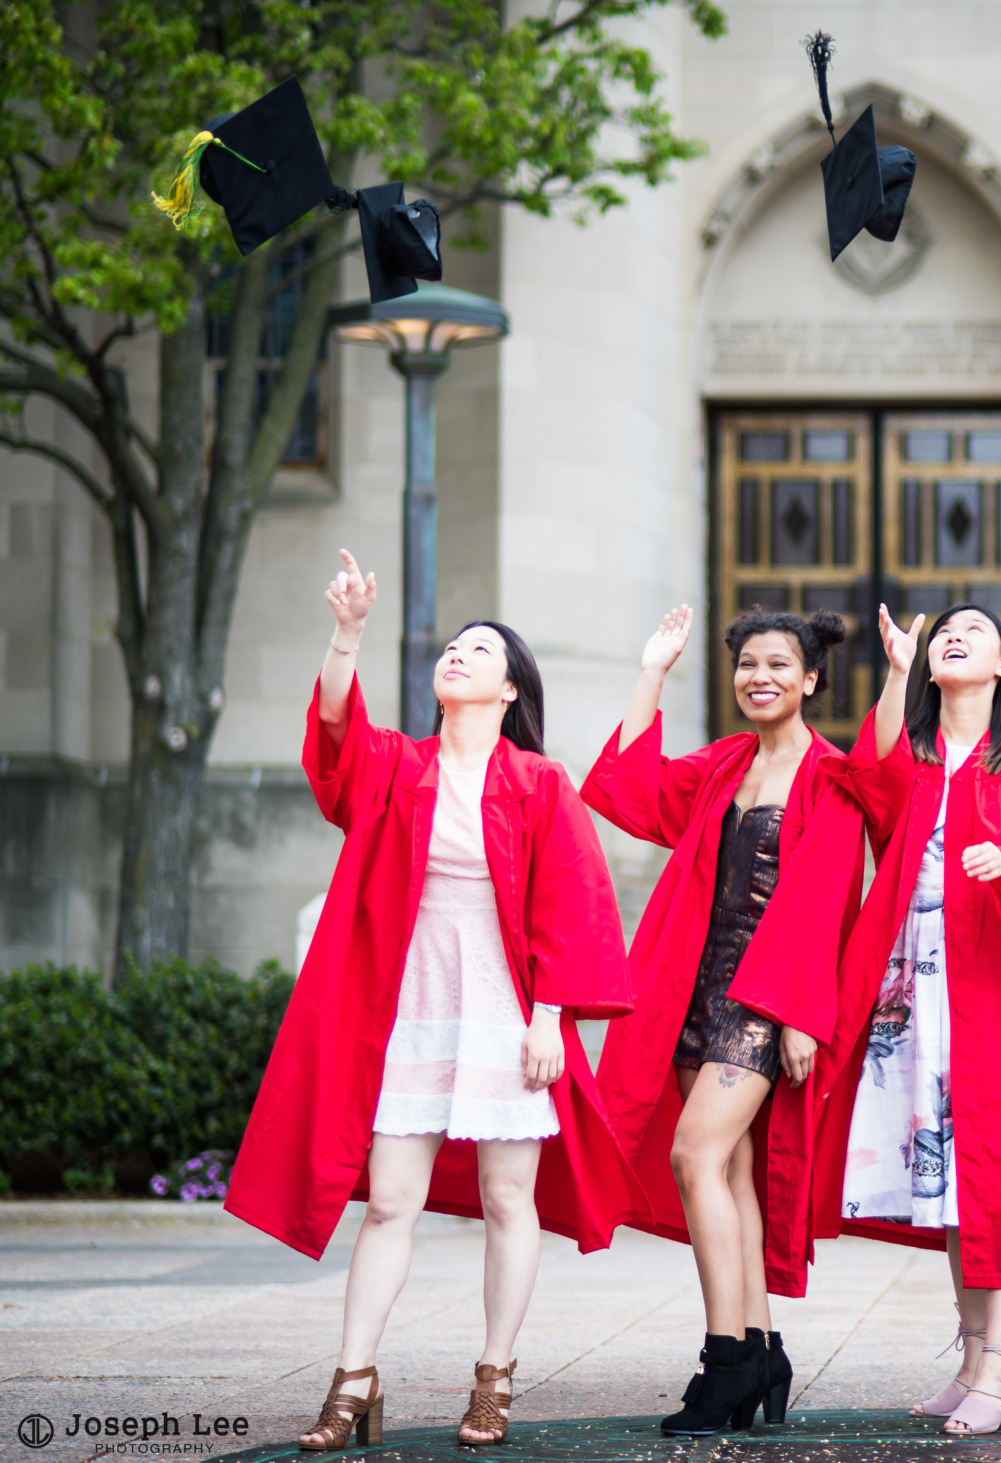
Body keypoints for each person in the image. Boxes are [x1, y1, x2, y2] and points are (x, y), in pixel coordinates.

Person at [225, 550, 645, 1451]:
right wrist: (347, 634)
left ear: (509, 688)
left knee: (506, 1199)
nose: (458, 653)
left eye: (480, 649)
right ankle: (354, 1378)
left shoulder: (538, 783)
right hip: (411, 1003)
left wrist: (550, 1019)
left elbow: (574, 904)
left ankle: (494, 1376)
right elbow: (335, 743)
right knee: (388, 1201)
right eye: (452, 645)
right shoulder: (397, 767)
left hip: (503, 1006)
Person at [583, 606, 869, 1436]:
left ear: (811, 678)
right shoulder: (724, 764)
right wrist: (652, 672)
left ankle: (727, 1359)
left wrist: (801, 1014)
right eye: (748, 664)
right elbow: (630, 788)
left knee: (693, 1152)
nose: (761, 677)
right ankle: (765, 1346)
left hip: (766, 997)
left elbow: (825, 906)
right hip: (698, 989)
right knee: (732, 1172)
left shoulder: (833, 775)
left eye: (779, 664)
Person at [811, 603, 1001, 1436]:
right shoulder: (921, 755)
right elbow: (870, 773)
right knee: (958, 1186)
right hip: (915, 991)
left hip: (997, 985)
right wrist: (895, 671)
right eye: (944, 633)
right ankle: (975, 1360)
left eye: (975, 630)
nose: (954, 637)